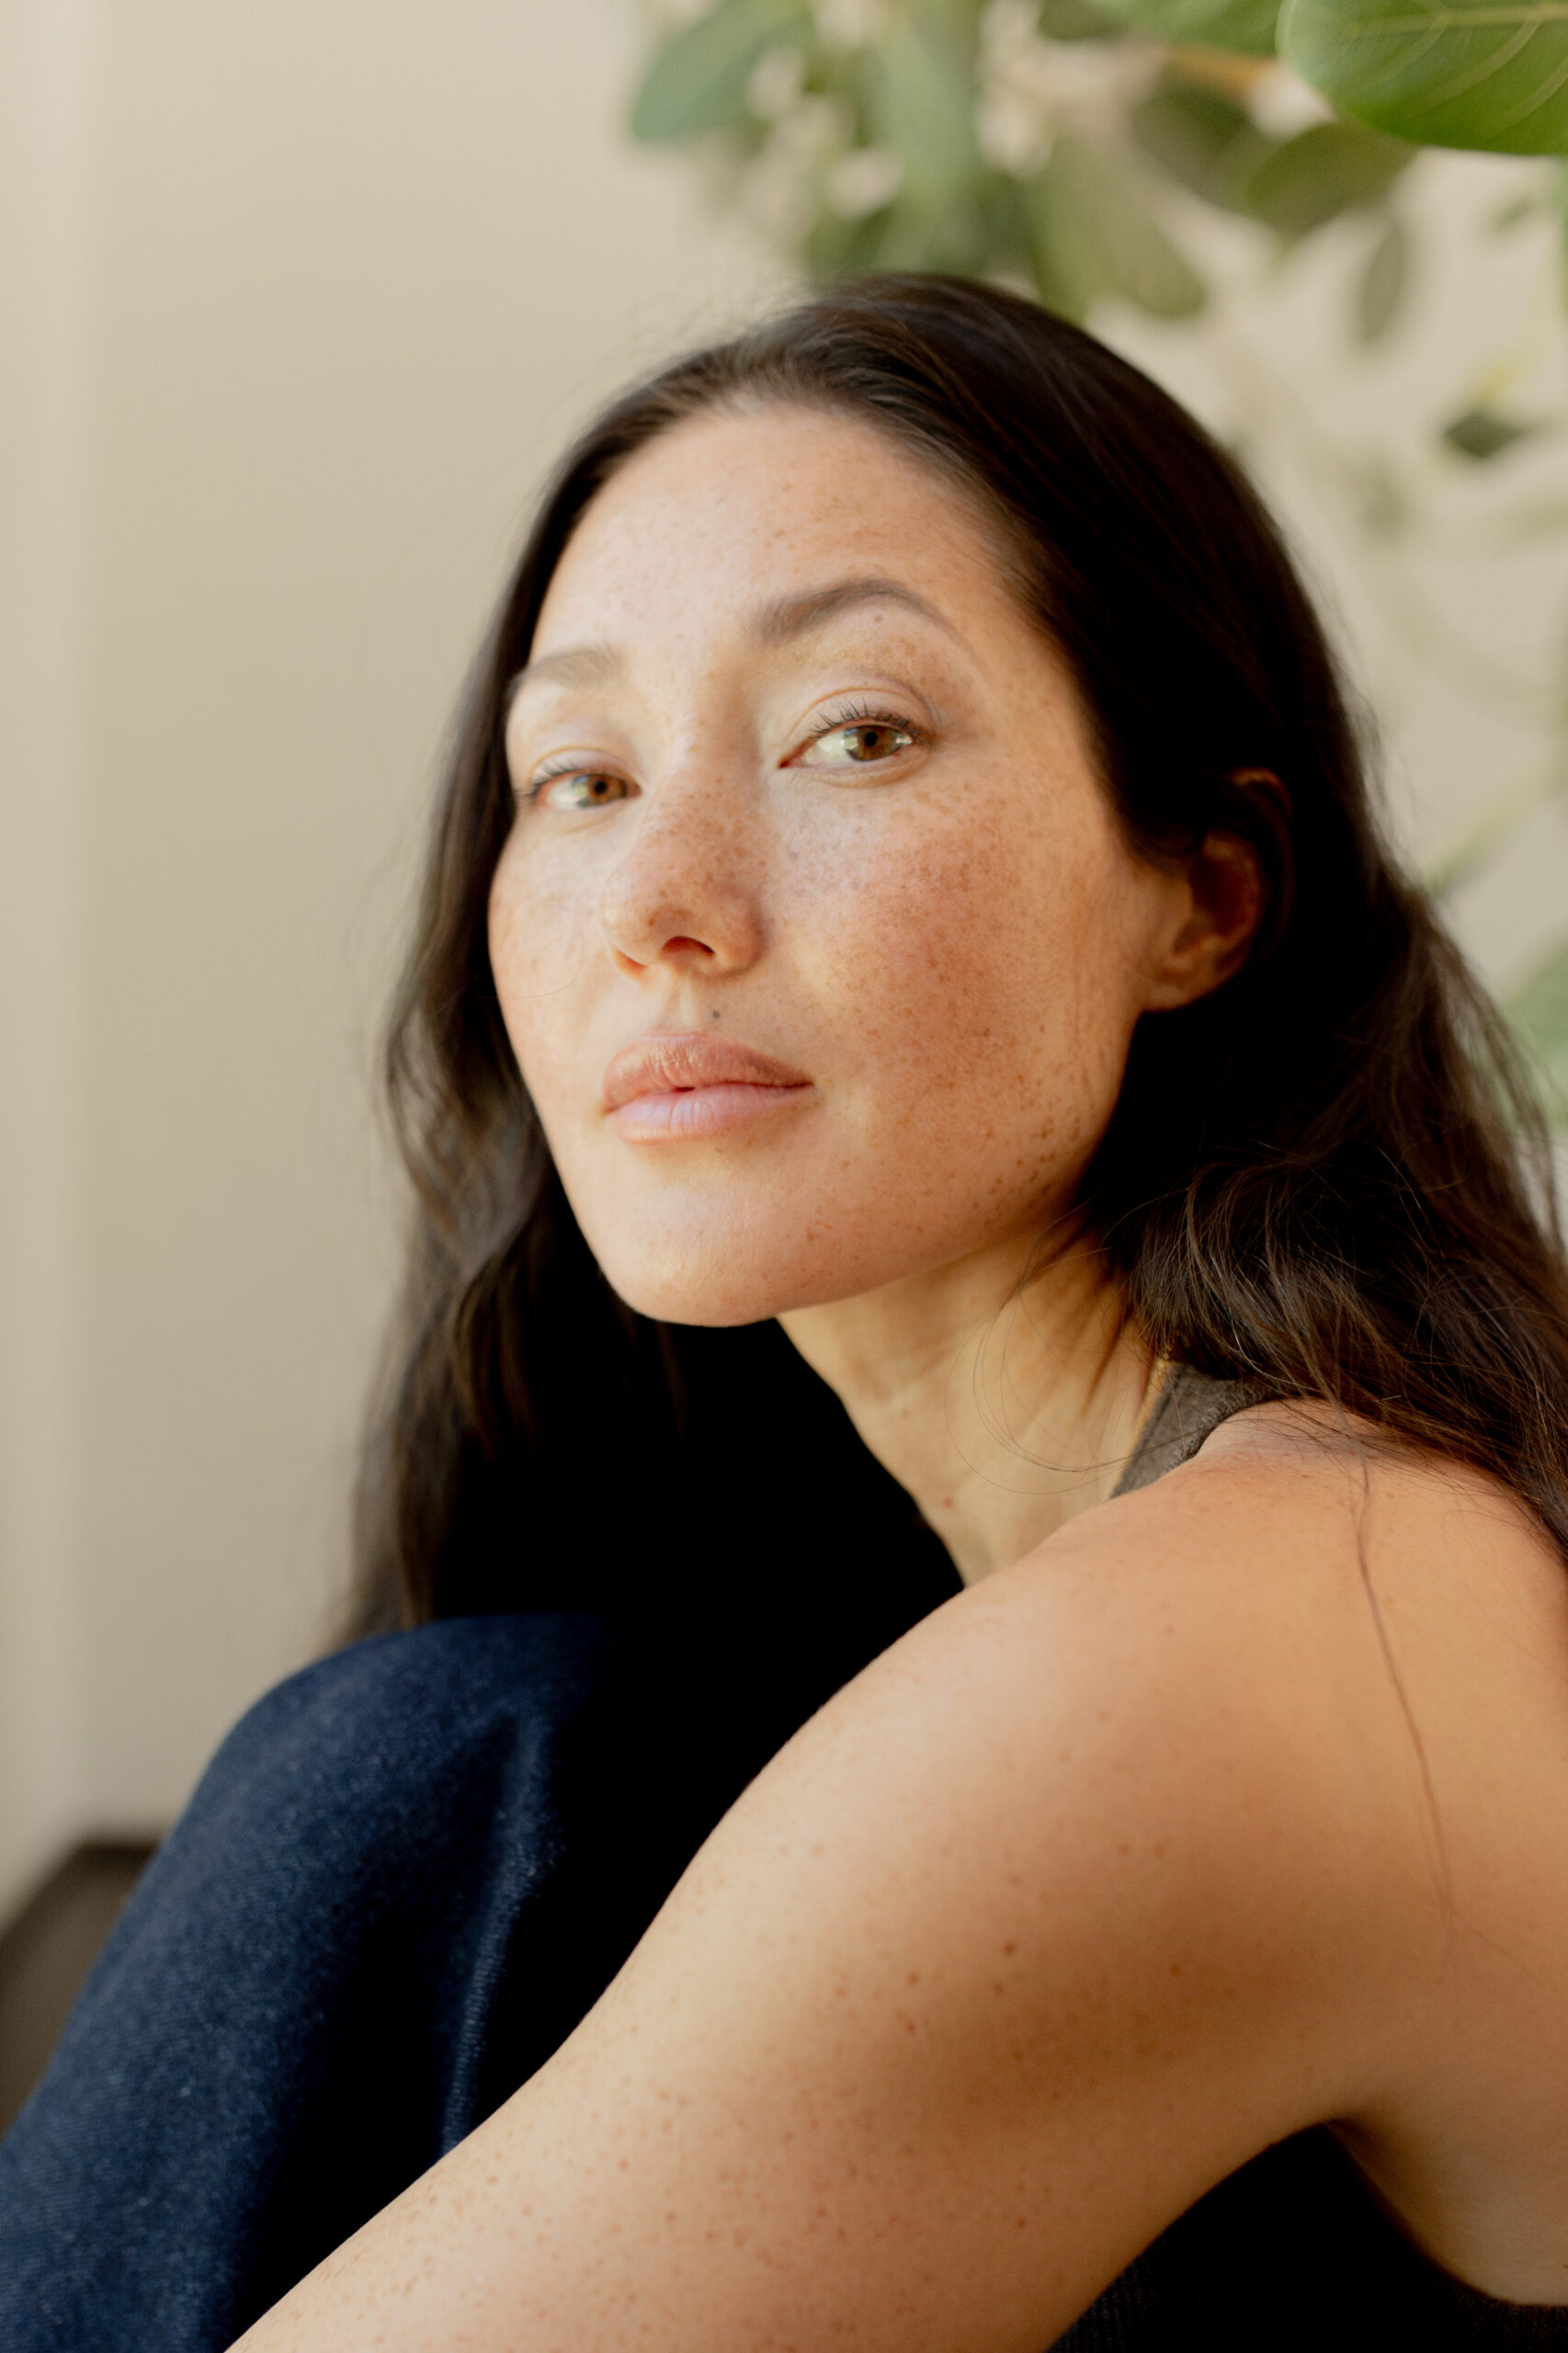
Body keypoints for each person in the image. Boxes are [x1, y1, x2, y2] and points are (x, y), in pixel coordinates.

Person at [6, 275, 1568, 2351]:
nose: (664, 898)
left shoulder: (1267, 1633)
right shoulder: (948, 1605)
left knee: (431, 1764)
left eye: (855, 733)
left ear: (1202, 893)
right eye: (575, 775)